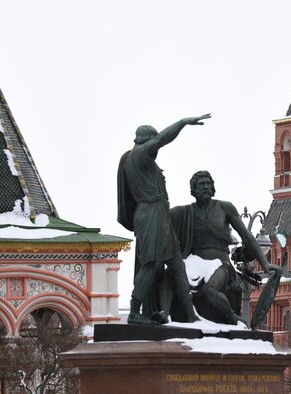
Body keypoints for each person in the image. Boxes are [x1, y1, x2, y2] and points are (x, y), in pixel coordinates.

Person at [117, 114, 211, 325]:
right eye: (153, 141)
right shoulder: (139, 154)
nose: (156, 148)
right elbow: (162, 139)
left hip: (159, 214)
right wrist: (183, 123)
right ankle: (134, 311)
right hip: (150, 214)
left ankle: (191, 314)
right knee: (151, 264)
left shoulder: (135, 159)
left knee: (177, 265)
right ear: (147, 140)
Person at [169, 170, 282, 325]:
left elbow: (247, 237)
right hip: (193, 264)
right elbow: (161, 219)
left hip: (220, 264)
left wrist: (265, 263)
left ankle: (232, 318)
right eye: (201, 184)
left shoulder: (224, 208)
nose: (206, 187)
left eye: (208, 184)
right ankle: (165, 315)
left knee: (210, 290)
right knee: (169, 276)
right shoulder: (184, 212)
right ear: (193, 189)